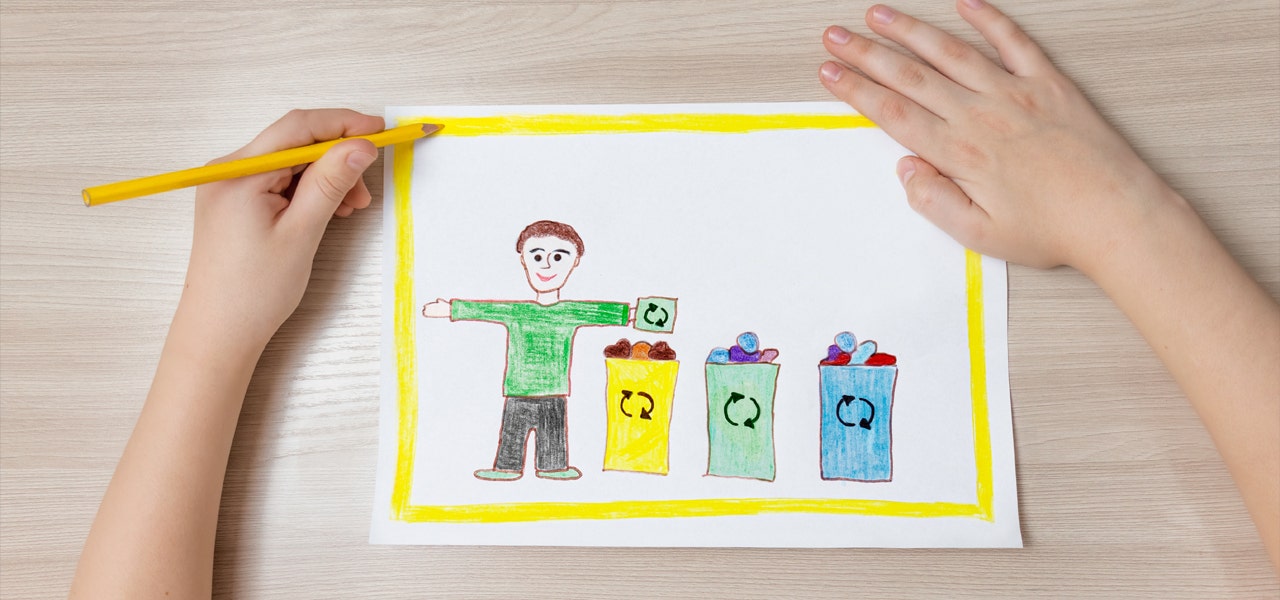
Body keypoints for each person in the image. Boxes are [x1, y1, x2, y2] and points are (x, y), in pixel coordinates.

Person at [69, 2, 1279, 596]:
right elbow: (517, 317)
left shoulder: (572, 313)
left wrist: (212, 336)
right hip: (535, 397)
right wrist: (1130, 219)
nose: (544, 276)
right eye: (540, 262)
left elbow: (593, 319)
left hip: (591, 383)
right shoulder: (527, 309)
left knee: (543, 430)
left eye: (550, 262)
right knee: (522, 437)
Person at [420, 220, 633, 481]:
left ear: (575, 261)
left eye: (558, 256)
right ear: (523, 259)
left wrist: (632, 315)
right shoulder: (518, 311)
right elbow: (487, 309)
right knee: (513, 433)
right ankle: (507, 467)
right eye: (537, 256)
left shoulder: (570, 311)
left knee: (552, 434)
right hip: (517, 389)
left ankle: (553, 467)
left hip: (554, 391)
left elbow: (602, 312)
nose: (546, 265)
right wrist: (452, 309)